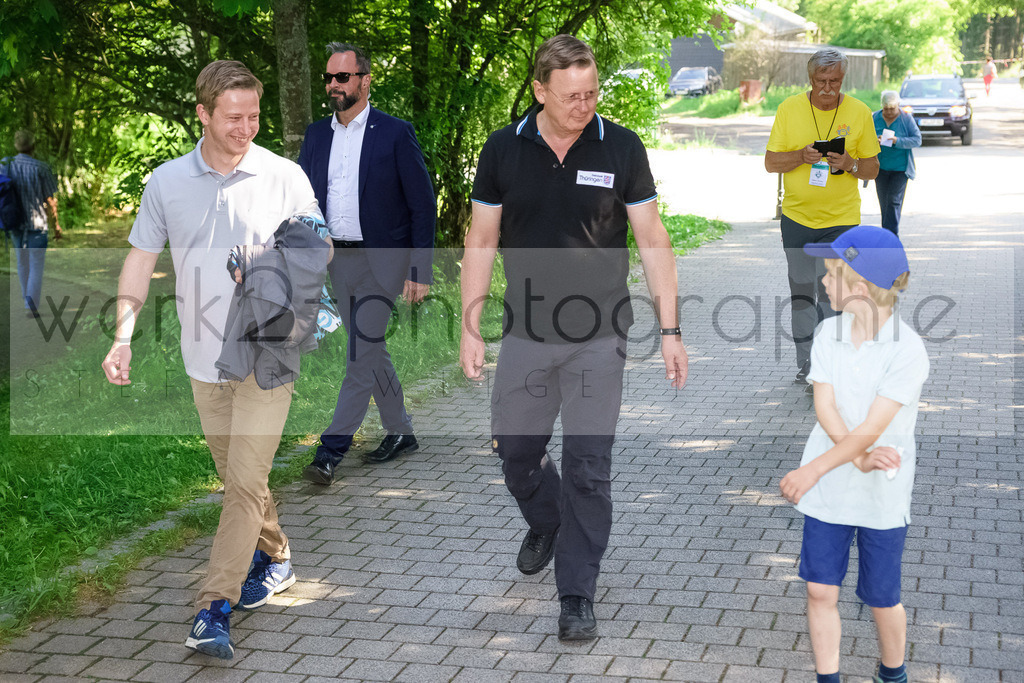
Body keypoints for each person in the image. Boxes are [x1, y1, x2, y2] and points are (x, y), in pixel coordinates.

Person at [459, 34, 688, 642]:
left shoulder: (622, 147)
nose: (583, 106)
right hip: (527, 334)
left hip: (599, 336)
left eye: (591, 94)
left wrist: (671, 329)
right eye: (570, 97)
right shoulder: (504, 150)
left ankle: (576, 593)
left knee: (590, 467)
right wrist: (470, 326)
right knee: (515, 453)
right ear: (539, 91)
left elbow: (653, 239)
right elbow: (480, 241)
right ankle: (547, 519)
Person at [101, 60, 321, 660]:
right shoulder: (166, 183)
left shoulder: (284, 176)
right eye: (232, 117)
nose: (246, 127)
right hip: (202, 356)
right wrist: (121, 337)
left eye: (254, 115)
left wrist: (267, 259)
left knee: (244, 485)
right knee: (240, 480)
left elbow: (317, 249)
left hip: (268, 351)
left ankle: (212, 608)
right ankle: (275, 559)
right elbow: (140, 261)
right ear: (201, 113)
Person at [780, 225, 929, 683]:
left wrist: (815, 468)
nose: (824, 282)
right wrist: (853, 460)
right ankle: (830, 678)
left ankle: (893, 673)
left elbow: (873, 429)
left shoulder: (908, 352)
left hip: (880, 493)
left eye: (831, 274)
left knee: (882, 596)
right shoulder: (828, 331)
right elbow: (824, 405)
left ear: (859, 288)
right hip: (833, 489)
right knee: (820, 589)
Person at [298, 42, 436, 486]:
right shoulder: (317, 135)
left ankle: (329, 452)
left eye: (342, 77)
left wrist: (420, 268)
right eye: (328, 77)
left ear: (365, 80)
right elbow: (302, 201)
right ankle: (401, 432)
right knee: (370, 349)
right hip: (338, 261)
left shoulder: (394, 132)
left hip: (384, 262)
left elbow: (423, 204)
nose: (333, 85)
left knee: (360, 355)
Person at [765, 48, 881, 392]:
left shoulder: (860, 112)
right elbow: (771, 163)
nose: (828, 88)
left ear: (843, 79)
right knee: (802, 295)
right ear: (810, 79)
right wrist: (801, 156)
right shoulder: (789, 109)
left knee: (834, 296)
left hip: (842, 221)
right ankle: (808, 363)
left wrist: (850, 164)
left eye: (835, 81)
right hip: (798, 219)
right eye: (821, 81)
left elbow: (873, 169)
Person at [3, 130, 62, 317]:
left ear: (16, 145)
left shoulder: (5, 165)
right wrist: (57, 226)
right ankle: (31, 305)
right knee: (36, 263)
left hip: (14, 222)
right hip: (37, 223)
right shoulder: (41, 167)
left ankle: (27, 299)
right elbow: (51, 201)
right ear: (33, 146)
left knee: (22, 262)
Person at [872, 91, 921, 236]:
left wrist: (897, 141)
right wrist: (875, 140)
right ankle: (888, 236)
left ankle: (891, 237)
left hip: (900, 169)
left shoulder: (906, 119)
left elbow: (917, 140)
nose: (888, 112)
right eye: (885, 108)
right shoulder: (874, 118)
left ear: (898, 106)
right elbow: (864, 136)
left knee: (893, 201)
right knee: (884, 204)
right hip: (880, 168)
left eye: (892, 109)